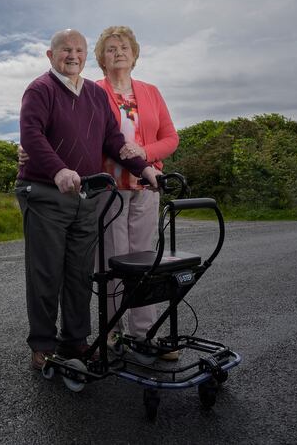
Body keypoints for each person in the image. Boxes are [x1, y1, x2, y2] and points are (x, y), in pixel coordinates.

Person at [16, 29, 161, 371]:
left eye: (78, 50)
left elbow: (113, 139)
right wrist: (57, 171)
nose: (73, 55)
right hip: (45, 193)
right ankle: (42, 346)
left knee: (80, 273)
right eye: (65, 49)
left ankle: (76, 342)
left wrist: (145, 168)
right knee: (46, 271)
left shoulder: (95, 94)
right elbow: (31, 136)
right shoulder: (40, 90)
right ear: (50, 55)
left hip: (85, 194)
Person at [92, 25, 180, 359]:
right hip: (109, 191)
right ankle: (113, 331)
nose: (118, 52)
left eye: (124, 47)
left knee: (145, 260)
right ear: (102, 58)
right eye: (111, 48)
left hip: (146, 186)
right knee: (113, 261)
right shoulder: (93, 92)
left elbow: (171, 138)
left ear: (134, 54)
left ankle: (145, 333)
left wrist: (142, 153)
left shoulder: (151, 92)